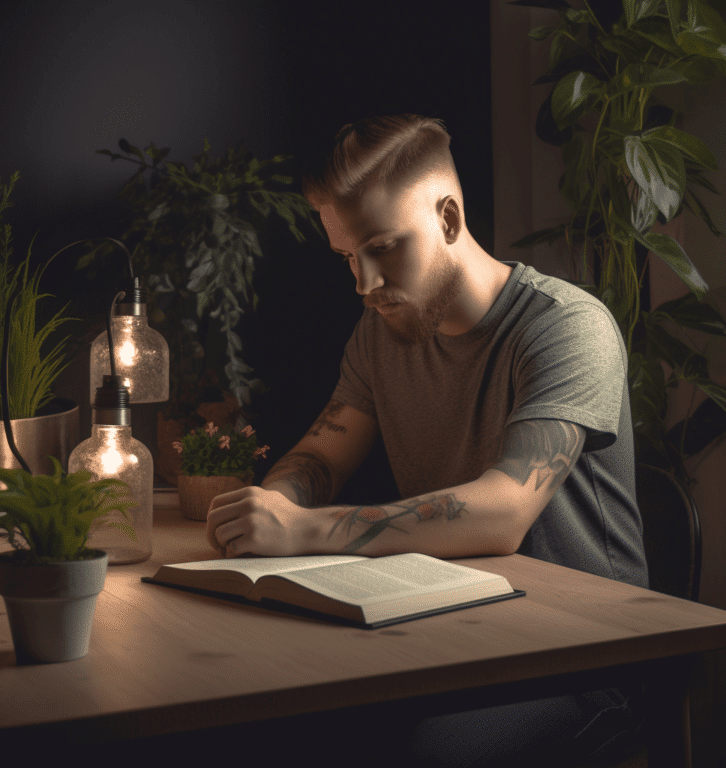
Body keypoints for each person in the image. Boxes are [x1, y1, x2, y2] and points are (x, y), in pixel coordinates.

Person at [205, 114, 648, 767]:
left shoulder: (566, 327)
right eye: (346, 258)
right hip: (449, 639)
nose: (363, 284)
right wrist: (269, 508)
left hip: (581, 659)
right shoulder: (379, 336)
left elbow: (503, 512)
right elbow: (321, 457)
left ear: (447, 219)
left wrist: (301, 530)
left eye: (382, 247)